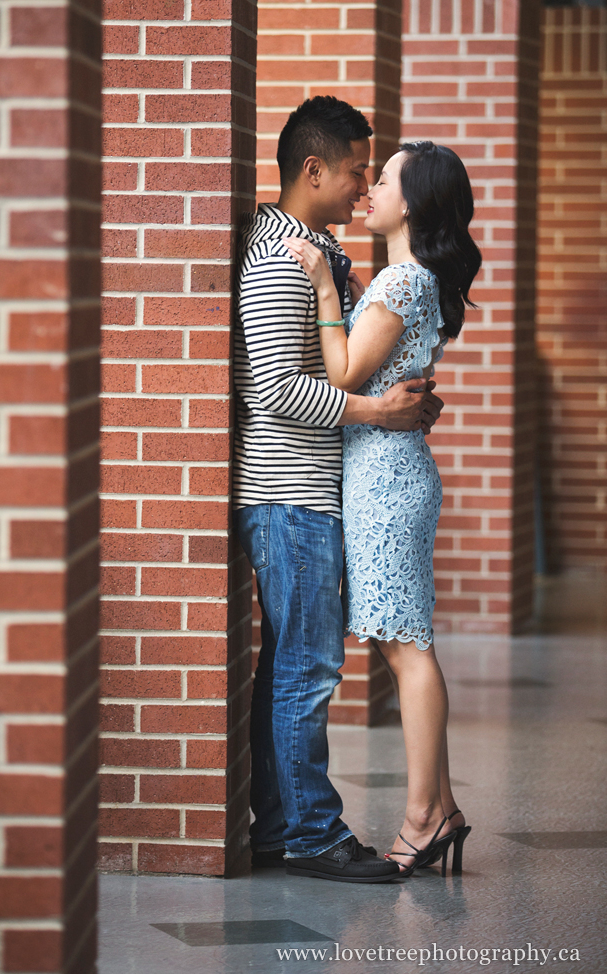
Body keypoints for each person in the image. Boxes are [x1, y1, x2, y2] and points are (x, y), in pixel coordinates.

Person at [232, 96, 444, 884]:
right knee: (308, 669)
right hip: (290, 496)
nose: (363, 187)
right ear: (312, 169)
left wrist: (395, 400)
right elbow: (275, 390)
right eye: (357, 170)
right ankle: (314, 838)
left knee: (294, 666)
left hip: (314, 494)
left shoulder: (314, 248)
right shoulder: (281, 255)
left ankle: (280, 829)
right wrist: (376, 411)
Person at [284, 140, 482, 876]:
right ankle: (445, 807)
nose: (370, 188)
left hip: (387, 483)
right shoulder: (410, 278)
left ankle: (424, 817)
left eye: (387, 179)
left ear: (414, 203)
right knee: (405, 645)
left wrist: (327, 292)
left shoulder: (404, 282)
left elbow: (343, 373)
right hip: (386, 476)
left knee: (406, 649)